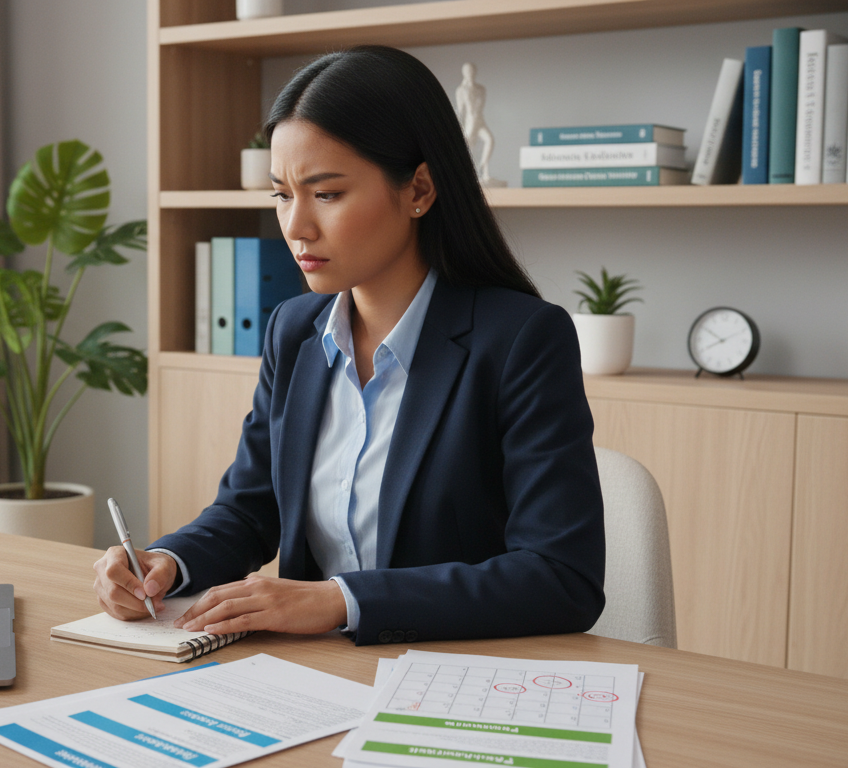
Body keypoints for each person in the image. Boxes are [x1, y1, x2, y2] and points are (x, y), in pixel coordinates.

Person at [93, 46, 605, 645]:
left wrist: (340, 601)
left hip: (451, 675)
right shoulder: (294, 330)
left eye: (327, 194)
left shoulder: (522, 340)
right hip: (313, 676)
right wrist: (165, 564)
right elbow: (249, 510)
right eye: (282, 194)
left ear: (419, 188)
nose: (295, 226)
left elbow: (561, 577)